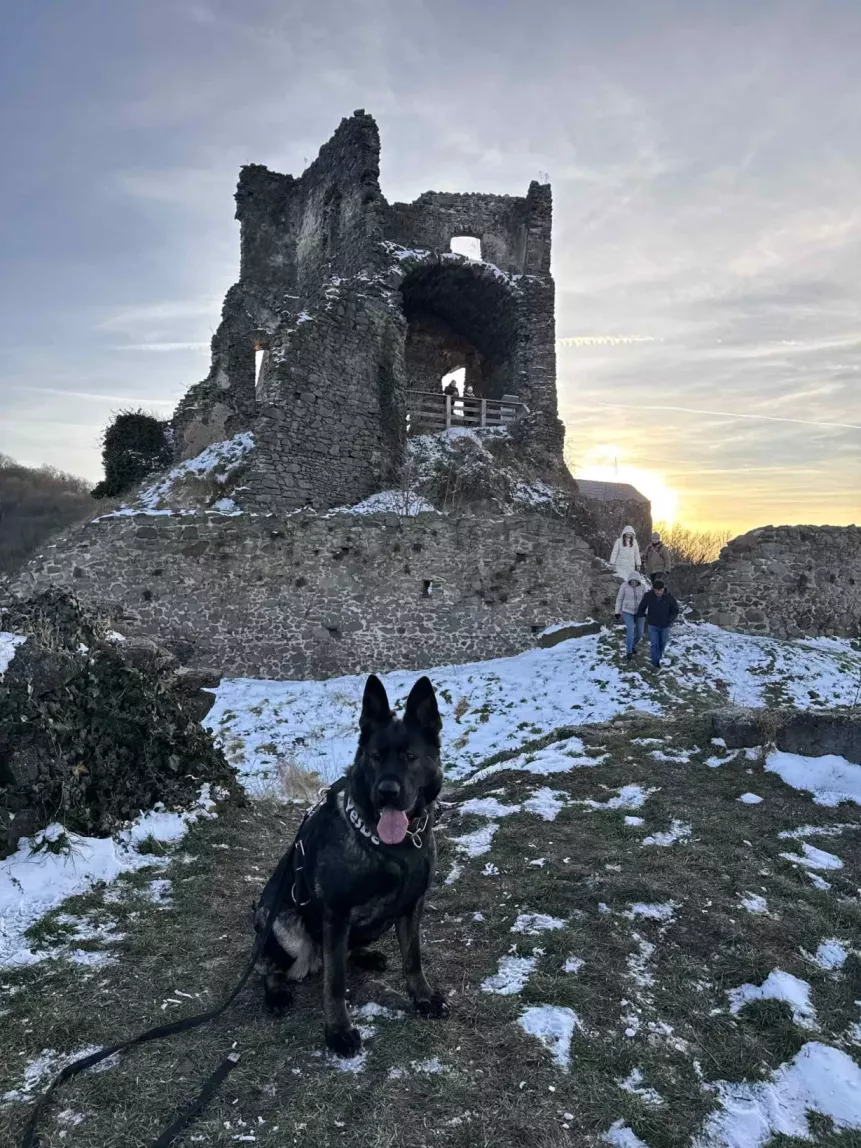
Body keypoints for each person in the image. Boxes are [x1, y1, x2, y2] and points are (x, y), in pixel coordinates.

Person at [636, 578, 679, 668]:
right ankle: (655, 662)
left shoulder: (669, 597)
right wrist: (640, 614)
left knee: (662, 643)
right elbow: (642, 605)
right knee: (654, 644)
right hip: (652, 624)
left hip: (665, 625)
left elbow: (675, 610)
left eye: (660, 590)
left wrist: (670, 620)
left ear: (663, 589)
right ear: (653, 589)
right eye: (656, 590)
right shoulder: (648, 595)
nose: (659, 592)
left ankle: (658, 657)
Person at [614, 571, 646, 662]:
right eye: (632, 581)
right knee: (630, 630)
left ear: (638, 581)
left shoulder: (643, 587)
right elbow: (619, 599)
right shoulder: (624, 586)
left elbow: (646, 601)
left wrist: (645, 611)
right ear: (629, 580)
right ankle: (629, 652)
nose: (633, 583)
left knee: (639, 633)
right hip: (627, 611)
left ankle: (632, 646)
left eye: (635, 581)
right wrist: (617, 612)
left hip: (639, 612)